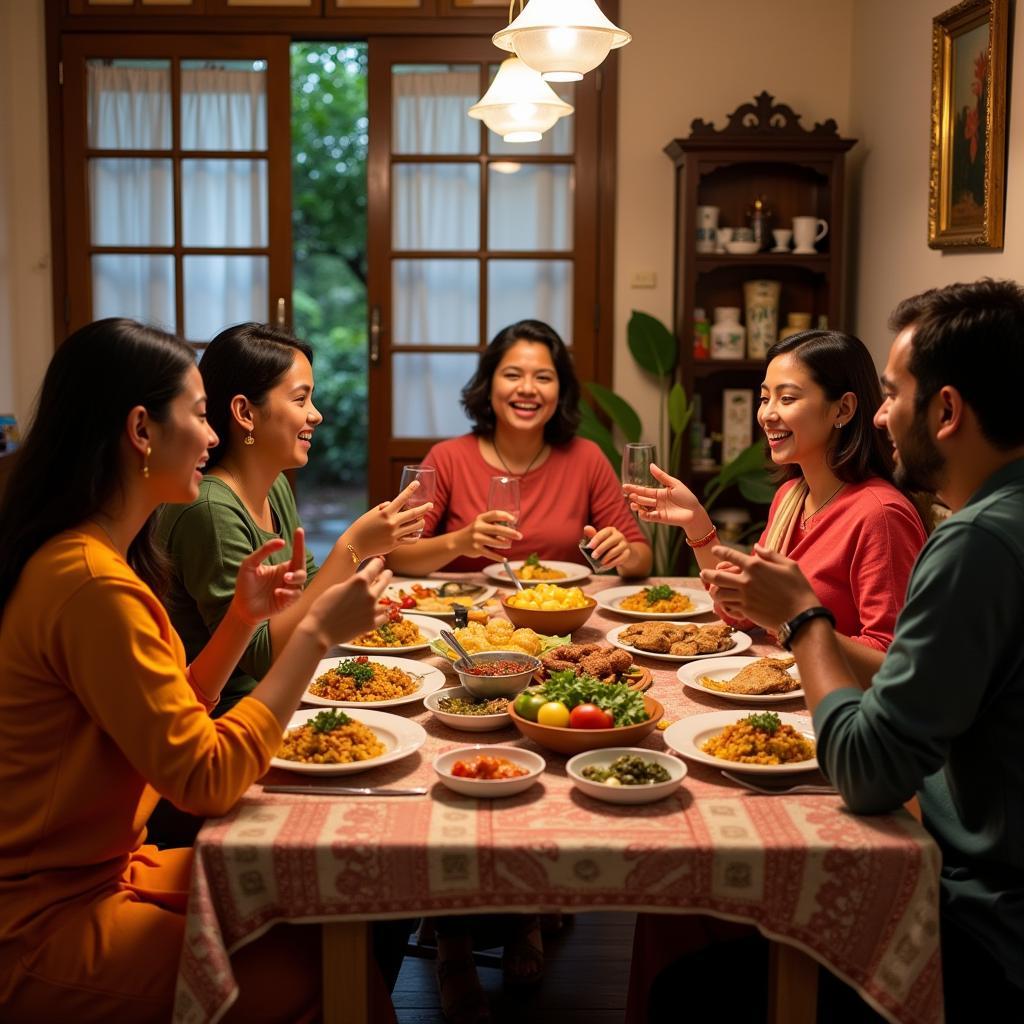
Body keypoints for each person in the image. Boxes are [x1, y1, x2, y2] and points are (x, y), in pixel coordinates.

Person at [0, 319, 394, 1023]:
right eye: (201, 413)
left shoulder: (90, 558)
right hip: (43, 921)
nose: (212, 438)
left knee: (333, 898)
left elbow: (168, 715)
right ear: (142, 431)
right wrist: (314, 635)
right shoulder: (91, 585)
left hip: (109, 868)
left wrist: (243, 622)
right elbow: (204, 779)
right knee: (318, 964)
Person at [701, 279, 1024, 1019]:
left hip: (979, 918)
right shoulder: (983, 522)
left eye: (890, 393)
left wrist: (804, 620)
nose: (882, 416)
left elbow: (868, 770)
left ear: (945, 411)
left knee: (691, 989)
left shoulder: (973, 541)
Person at [623, 329, 928, 686]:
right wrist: (697, 525)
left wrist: (790, 621)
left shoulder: (881, 514)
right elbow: (742, 613)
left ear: (842, 408)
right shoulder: (791, 497)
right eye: (764, 398)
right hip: (785, 693)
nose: (767, 414)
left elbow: (892, 665)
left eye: (787, 398)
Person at [158, 321, 431, 718]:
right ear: (245, 413)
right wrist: (353, 548)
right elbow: (261, 657)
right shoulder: (210, 509)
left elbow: (308, 589)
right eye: (300, 400)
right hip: (232, 714)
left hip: (288, 689)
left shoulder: (275, 487)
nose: (315, 415)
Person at [387, 319, 652, 577]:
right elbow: (396, 555)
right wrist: (459, 542)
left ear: (560, 392)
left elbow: (642, 558)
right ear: (489, 384)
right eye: (512, 375)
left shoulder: (587, 458)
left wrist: (625, 553)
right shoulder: (448, 458)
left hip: (559, 616)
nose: (527, 389)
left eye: (543, 377)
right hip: (467, 616)